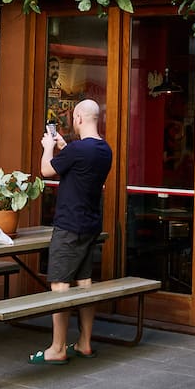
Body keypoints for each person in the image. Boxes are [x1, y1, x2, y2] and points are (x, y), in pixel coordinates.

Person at [29, 98, 113, 364]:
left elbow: (46, 170)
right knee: (85, 281)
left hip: (68, 225)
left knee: (60, 284)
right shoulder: (104, 150)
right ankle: (85, 342)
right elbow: (79, 167)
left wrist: (47, 148)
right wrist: (64, 147)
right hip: (90, 225)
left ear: (77, 118)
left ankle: (58, 347)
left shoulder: (77, 150)